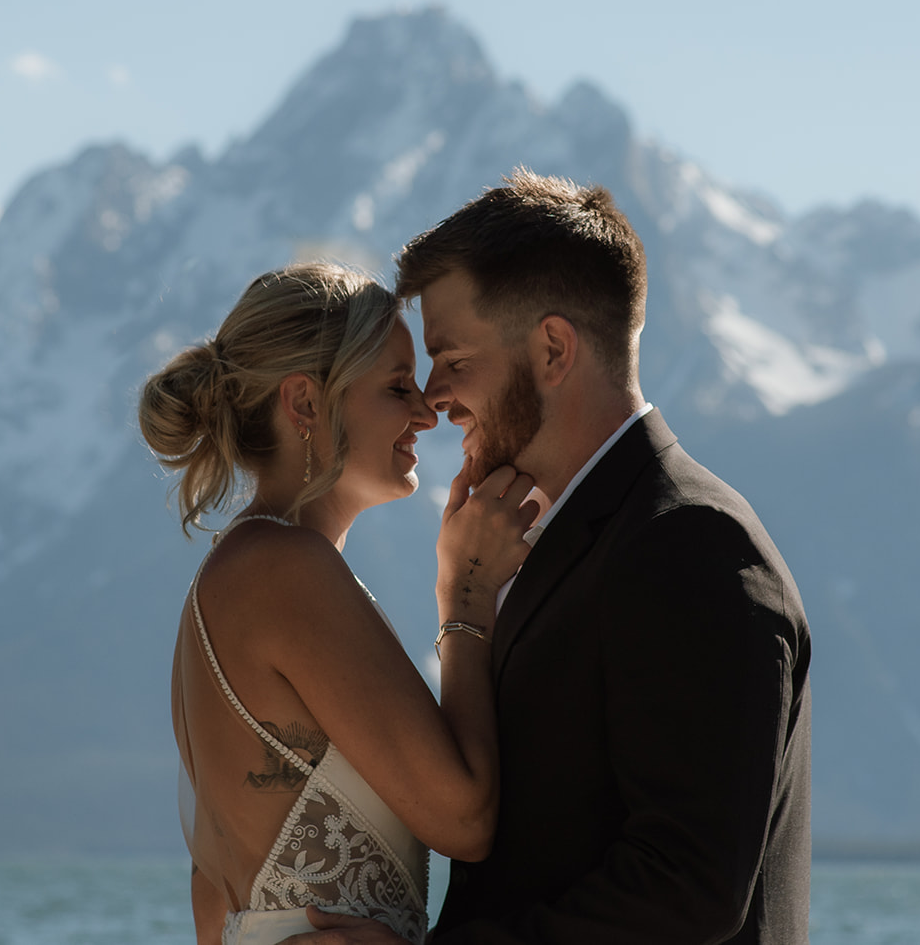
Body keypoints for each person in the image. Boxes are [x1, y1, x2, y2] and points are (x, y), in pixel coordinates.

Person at [288, 171, 812, 944]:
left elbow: (687, 888)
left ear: (554, 349)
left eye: (453, 359)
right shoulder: (581, 542)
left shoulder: (691, 544)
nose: (432, 400)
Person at [139, 263, 539, 944]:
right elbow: (466, 819)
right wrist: (466, 594)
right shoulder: (283, 570)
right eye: (396, 386)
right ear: (304, 404)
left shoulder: (234, 581)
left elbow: (212, 901)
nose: (425, 411)